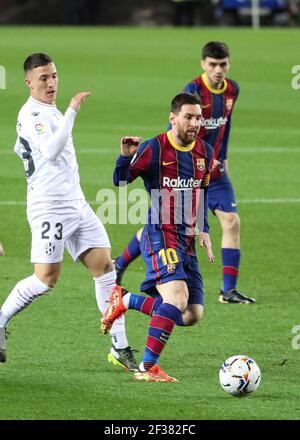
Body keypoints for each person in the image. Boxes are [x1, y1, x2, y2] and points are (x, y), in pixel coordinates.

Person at [0, 53, 137, 370]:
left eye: (54, 76)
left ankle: (120, 346)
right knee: (46, 278)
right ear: (29, 82)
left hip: (76, 203)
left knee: (105, 268)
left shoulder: (47, 111)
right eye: (43, 78)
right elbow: (50, 150)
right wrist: (73, 111)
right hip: (49, 207)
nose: (51, 83)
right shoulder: (34, 113)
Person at [114, 41, 255, 305]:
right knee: (164, 224)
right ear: (203, 64)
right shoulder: (193, 91)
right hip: (188, 170)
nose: (218, 70)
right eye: (212, 64)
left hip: (216, 171)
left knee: (232, 222)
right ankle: (119, 264)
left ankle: (228, 291)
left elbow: (226, 125)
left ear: (229, 64)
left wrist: (222, 158)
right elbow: (181, 129)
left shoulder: (232, 89)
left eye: (223, 64)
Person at [102, 93, 214, 382]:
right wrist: (125, 157)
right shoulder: (155, 148)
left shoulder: (205, 151)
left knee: (191, 314)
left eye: (198, 117)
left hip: (187, 239)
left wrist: (204, 230)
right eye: (188, 117)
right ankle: (147, 367)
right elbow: (122, 181)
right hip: (161, 233)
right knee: (176, 299)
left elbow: (202, 193)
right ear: (173, 117)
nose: (194, 123)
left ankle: (125, 300)